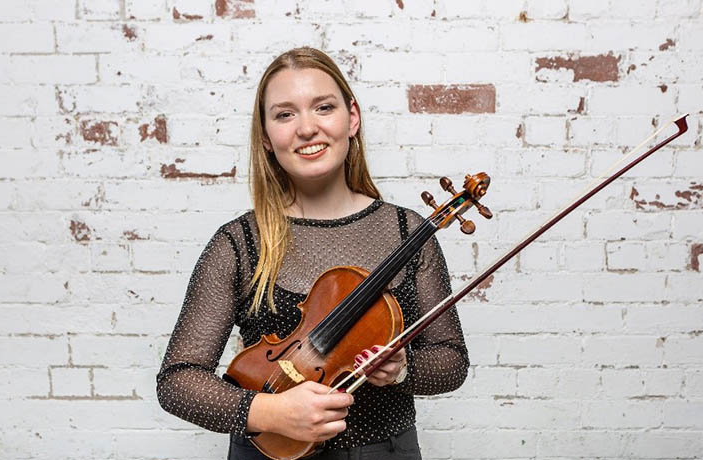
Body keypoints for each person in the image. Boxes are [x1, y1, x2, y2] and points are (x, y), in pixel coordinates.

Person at [156, 47, 469, 460]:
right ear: (266, 137)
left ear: (351, 118)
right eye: (285, 114)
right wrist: (269, 411)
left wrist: (403, 368)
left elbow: (453, 361)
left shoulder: (408, 232)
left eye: (323, 107)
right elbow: (177, 381)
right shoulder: (238, 243)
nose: (307, 128)